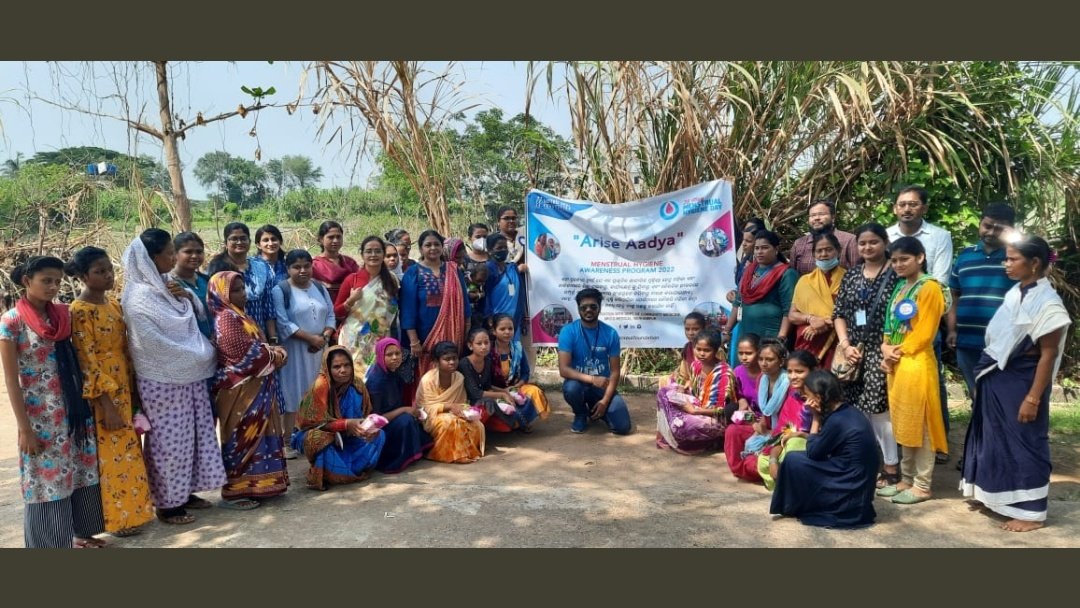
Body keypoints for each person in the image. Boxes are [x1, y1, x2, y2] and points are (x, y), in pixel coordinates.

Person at [961, 235, 1070, 532]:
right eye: (1006, 258)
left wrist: (1033, 398)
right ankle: (994, 496)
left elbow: (1047, 355)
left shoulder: (1049, 304)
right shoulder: (1015, 293)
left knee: (1024, 441)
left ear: (1034, 263)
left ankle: (1031, 512)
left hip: (1023, 382)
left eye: (1012, 259)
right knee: (994, 439)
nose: (1005, 264)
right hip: (998, 377)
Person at [121, 229, 226, 525]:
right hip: (162, 380)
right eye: (169, 253)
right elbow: (154, 342)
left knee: (192, 437)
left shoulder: (167, 284)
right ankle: (168, 504)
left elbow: (191, 318)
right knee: (169, 444)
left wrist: (189, 299)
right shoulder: (138, 296)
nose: (173, 257)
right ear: (152, 258)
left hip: (189, 377)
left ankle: (187, 491)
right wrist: (201, 355)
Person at [1, 256, 105, 548]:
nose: (53, 287)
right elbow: (11, 380)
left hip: (73, 410)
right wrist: (25, 429)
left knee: (80, 470)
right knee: (47, 481)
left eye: (57, 281)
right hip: (40, 417)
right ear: (27, 281)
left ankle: (79, 534)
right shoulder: (12, 322)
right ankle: (50, 545)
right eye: (46, 280)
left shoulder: (63, 315)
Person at [66, 247, 155, 538]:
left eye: (109, 269)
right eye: (99, 271)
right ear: (82, 276)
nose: (107, 276)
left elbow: (126, 349)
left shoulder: (114, 305)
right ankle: (118, 520)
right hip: (104, 395)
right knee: (111, 457)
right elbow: (87, 361)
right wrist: (106, 405)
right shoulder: (80, 311)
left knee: (129, 453)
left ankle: (135, 513)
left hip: (124, 386)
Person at [208, 271, 290, 508]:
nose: (242, 294)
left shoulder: (242, 316)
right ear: (221, 293)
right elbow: (244, 354)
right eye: (235, 290)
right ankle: (238, 490)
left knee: (262, 434)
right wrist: (275, 354)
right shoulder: (226, 318)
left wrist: (270, 353)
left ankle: (265, 483)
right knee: (242, 436)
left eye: (243, 288)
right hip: (239, 390)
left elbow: (258, 346)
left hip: (259, 385)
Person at [876, 236, 948, 505]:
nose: (898, 264)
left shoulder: (929, 288)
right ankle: (905, 478)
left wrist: (896, 351)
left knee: (923, 424)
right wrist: (885, 347)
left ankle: (922, 484)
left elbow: (925, 333)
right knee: (903, 421)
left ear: (920, 258)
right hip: (897, 363)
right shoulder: (900, 287)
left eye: (904, 259)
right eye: (893, 260)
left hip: (916, 362)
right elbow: (889, 322)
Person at [832, 223, 901, 488]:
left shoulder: (896, 273)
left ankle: (891, 467)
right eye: (862, 243)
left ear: (885, 242)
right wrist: (846, 345)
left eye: (873, 242)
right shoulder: (851, 275)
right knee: (859, 409)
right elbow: (838, 313)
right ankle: (868, 461)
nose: (867, 247)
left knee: (881, 410)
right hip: (853, 353)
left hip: (883, 351)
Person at [887, 185, 953, 460]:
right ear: (895, 208)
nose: (907, 209)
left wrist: (899, 349)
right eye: (902, 204)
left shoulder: (940, 236)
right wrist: (887, 347)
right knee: (902, 403)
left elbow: (940, 281)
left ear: (923, 208)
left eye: (913, 204)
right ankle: (905, 455)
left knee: (928, 396)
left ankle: (936, 448)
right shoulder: (887, 235)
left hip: (923, 322)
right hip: (896, 341)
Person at [769, 370, 878, 529]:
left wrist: (815, 417)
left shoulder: (836, 420)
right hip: (857, 483)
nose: (806, 403)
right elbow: (822, 444)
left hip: (849, 486)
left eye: (807, 397)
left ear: (818, 397)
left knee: (794, 460)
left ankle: (791, 506)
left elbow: (813, 452)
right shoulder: (849, 411)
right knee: (798, 458)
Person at [947, 203, 1017, 413]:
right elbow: (953, 294)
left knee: (1002, 394)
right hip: (967, 339)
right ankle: (982, 438)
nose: (991, 232)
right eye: (987, 225)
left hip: (1004, 341)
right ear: (980, 223)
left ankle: (1001, 439)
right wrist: (952, 329)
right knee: (975, 391)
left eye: (999, 228)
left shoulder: (1016, 258)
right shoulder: (965, 256)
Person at [293, 346, 387, 490]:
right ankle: (327, 473)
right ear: (328, 368)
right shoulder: (321, 386)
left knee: (379, 435)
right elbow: (313, 423)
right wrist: (345, 424)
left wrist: (368, 429)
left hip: (349, 435)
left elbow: (366, 415)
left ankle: (349, 471)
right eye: (337, 366)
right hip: (320, 433)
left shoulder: (357, 385)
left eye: (346, 365)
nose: (343, 370)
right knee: (316, 438)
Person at [273, 249, 336, 460]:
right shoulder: (280, 290)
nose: (302, 271)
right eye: (296, 267)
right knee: (292, 391)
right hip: (294, 351)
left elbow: (331, 314)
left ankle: (313, 436)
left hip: (318, 350)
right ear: (288, 268)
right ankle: (287, 441)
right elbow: (282, 322)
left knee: (316, 390)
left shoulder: (319, 287)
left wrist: (324, 337)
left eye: (306, 266)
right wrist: (310, 339)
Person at [557, 288, 632, 435]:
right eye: (584, 307)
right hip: (579, 384)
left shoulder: (610, 333)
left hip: (602, 387)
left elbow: (615, 371)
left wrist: (605, 401)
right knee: (571, 389)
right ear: (578, 309)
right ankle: (580, 414)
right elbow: (564, 369)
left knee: (622, 427)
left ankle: (596, 407)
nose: (588, 310)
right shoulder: (568, 331)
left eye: (593, 306)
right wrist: (592, 379)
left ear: (599, 307)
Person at [400, 230, 472, 373]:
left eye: (436, 244)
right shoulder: (413, 272)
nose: (433, 248)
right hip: (424, 335)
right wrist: (414, 341)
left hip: (454, 332)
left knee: (450, 366)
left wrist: (466, 332)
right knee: (427, 373)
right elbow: (408, 310)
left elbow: (464, 302)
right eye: (428, 245)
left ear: (442, 247)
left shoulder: (453, 269)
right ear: (421, 249)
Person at [655, 329, 736, 454]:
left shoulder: (724, 373)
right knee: (665, 392)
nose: (702, 353)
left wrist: (694, 410)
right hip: (697, 406)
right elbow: (695, 392)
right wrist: (683, 391)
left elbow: (722, 411)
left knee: (683, 425)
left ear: (715, 351)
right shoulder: (695, 365)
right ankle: (679, 434)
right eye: (698, 349)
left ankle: (711, 441)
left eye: (707, 350)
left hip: (715, 418)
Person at [335, 236, 401, 378]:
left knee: (376, 379)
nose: (373, 255)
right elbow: (337, 311)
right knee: (354, 378)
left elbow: (394, 310)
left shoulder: (392, 280)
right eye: (369, 251)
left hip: (381, 338)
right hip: (354, 339)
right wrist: (351, 300)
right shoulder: (352, 279)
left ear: (383, 254)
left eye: (377, 251)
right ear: (362, 254)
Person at [365, 337, 433, 473]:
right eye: (389, 354)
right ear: (380, 356)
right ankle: (397, 457)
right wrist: (404, 410)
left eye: (398, 353)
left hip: (392, 417)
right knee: (406, 420)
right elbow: (376, 418)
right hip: (379, 427)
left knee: (416, 417)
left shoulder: (394, 373)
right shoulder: (376, 380)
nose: (395, 358)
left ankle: (413, 451)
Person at [724, 339, 787, 483]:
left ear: (781, 362)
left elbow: (788, 418)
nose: (764, 363)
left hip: (781, 433)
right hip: (765, 426)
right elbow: (765, 414)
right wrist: (759, 426)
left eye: (769, 359)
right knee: (732, 430)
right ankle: (740, 470)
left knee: (755, 462)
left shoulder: (789, 384)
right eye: (761, 359)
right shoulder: (762, 379)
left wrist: (769, 432)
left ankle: (751, 468)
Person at [415, 341, 486, 463]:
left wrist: (463, 410)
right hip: (431, 417)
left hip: (454, 412)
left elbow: (462, 401)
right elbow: (424, 406)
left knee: (476, 424)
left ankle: (468, 453)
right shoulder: (428, 379)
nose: (452, 362)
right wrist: (449, 407)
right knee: (450, 421)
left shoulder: (459, 377)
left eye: (454, 358)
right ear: (436, 362)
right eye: (447, 359)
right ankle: (450, 455)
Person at [724, 229, 797, 344]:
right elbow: (738, 302)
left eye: (764, 248)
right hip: (745, 335)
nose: (759, 252)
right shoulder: (749, 271)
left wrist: (781, 338)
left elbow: (789, 310)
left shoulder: (786, 274)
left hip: (770, 338)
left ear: (776, 249)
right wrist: (727, 331)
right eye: (757, 248)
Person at [459, 327, 539, 432]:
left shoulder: (487, 361)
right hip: (470, 400)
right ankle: (516, 423)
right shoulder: (465, 363)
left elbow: (487, 386)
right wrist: (501, 395)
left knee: (518, 397)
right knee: (490, 403)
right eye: (479, 344)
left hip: (486, 395)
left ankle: (519, 422)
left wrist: (505, 391)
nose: (484, 347)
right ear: (470, 346)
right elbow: (475, 393)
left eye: (486, 343)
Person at [213, 222, 281, 342]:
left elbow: (268, 306)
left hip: (261, 335)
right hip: (232, 334)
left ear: (249, 241)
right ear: (226, 243)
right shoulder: (219, 269)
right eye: (234, 239)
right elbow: (216, 305)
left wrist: (273, 338)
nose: (239, 242)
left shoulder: (261, 267)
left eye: (243, 238)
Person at [788, 232, 846, 363]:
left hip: (838, 344)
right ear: (814, 254)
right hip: (808, 344)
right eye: (819, 251)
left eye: (829, 249)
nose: (824, 254)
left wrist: (824, 324)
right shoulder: (805, 281)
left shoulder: (849, 279)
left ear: (838, 251)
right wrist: (811, 319)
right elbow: (792, 315)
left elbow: (853, 314)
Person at [488, 313, 550, 420]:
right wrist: (503, 391)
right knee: (502, 411)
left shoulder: (517, 348)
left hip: (515, 388)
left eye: (510, 329)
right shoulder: (488, 351)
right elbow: (485, 382)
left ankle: (524, 421)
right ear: (494, 331)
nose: (507, 332)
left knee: (535, 392)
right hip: (495, 391)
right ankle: (516, 422)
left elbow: (525, 373)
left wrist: (516, 386)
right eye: (502, 329)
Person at [727, 217, 765, 366]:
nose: (744, 244)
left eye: (748, 241)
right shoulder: (745, 262)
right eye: (744, 239)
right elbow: (740, 290)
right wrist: (734, 294)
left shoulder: (772, 270)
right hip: (740, 318)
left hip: (758, 323)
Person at [788, 199, 859, 275]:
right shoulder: (799, 244)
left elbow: (858, 275)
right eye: (812, 215)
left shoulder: (850, 241)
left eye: (821, 214)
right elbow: (793, 275)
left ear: (833, 217)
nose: (816, 218)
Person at [312, 220, 360, 324]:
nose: (335, 240)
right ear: (321, 239)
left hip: (351, 315)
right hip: (324, 317)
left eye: (338, 237)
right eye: (330, 237)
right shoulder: (314, 266)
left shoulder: (350, 263)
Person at [168, 231, 212, 338]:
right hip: (192, 343)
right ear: (175, 254)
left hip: (215, 341)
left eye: (199, 252)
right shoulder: (171, 284)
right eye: (188, 252)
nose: (195, 256)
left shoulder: (206, 280)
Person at [483, 233, 526, 338]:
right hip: (497, 321)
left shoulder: (512, 268)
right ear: (489, 250)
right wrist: (489, 318)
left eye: (505, 247)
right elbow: (485, 295)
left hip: (515, 319)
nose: (503, 250)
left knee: (514, 350)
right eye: (499, 248)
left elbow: (521, 294)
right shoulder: (488, 269)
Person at [730, 332, 762, 422]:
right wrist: (741, 400)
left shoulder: (767, 374)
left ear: (759, 352)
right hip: (750, 417)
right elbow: (738, 395)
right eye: (740, 353)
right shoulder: (737, 372)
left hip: (767, 420)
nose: (744, 358)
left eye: (749, 353)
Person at [670, 311, 706, 388]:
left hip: (708, 387)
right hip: (690, 385)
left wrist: (693, 383)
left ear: (704, 329)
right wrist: (681, 385)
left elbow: (719, 374)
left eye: (695, 329)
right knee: (666, 380)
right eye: (687, 329)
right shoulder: (687, 348)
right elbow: (684, 375)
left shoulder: (714, 349)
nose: (690, 333)